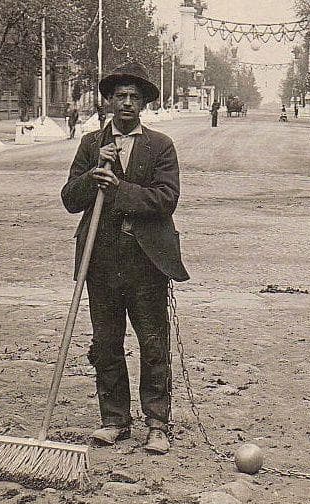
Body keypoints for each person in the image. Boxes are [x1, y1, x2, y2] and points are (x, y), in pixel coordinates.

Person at [61, 62, 189, 454]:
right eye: (120, 96)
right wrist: (92, 175)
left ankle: (157, 422)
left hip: (146, 261)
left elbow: (166, 199)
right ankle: (114, 419)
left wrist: (118, 187)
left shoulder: (160, 145)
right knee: (106, 343)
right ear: (110, 101)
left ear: (145, 103)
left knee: (153, 343)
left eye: (135, 97)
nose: (127, 103)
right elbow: (70, 200)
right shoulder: (90, 145)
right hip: (100, 261)